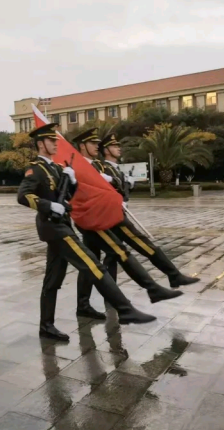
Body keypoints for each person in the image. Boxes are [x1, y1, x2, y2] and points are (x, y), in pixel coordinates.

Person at [17, 123, 156, 341]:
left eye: (56, 140)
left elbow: (68, 195)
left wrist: (71, 181)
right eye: (52, 141)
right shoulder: (35, 169)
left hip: (62, 224)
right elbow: (23, 196)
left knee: (53, 279)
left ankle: (46, 326)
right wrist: (49, 205)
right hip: (53, 227)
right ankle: (125, 309)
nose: (56, 144)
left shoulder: (56, 168)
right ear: (41, 144)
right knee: (92, 264)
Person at [70, 128, 182, 319]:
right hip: (91, 219)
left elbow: (112, 185)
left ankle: (86, 305)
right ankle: (147, 293)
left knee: (92, 263)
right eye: (92, 143)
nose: (97, 146)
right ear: (82, 146)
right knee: (118, 252)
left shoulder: (95, 166)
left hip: (101, 217)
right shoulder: (78, 167)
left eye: (98, 143)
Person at [99, 134, 200, 288]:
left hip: (120, 212)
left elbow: (124, 190)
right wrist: (120, 182)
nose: (118, 148)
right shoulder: (102, 168)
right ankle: (174, 275)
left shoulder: (117, 169)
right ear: (106, 150)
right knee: (144, 244)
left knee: (113, 254)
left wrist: (126, 184)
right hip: (114, 215)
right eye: (114, 146)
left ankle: (110, 292)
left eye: (118, 145)